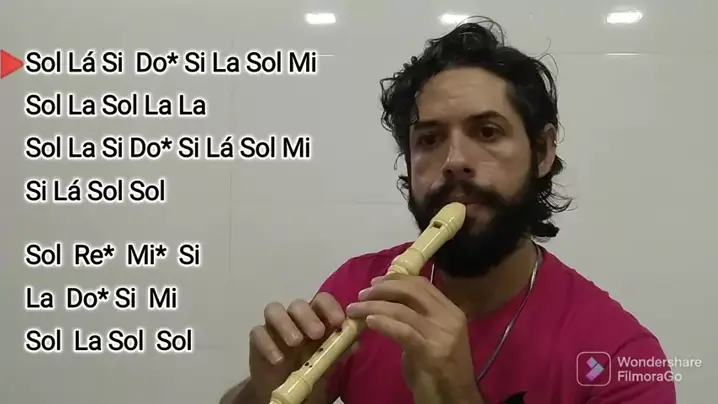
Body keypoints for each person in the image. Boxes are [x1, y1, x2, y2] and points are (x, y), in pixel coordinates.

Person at [221, 18, 677, 404]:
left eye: (488, 131)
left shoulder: (621, 357)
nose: (454, 161)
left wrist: (458, 395)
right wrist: (262, 391)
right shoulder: (358, 288)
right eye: (430, 139)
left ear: (542, 151)